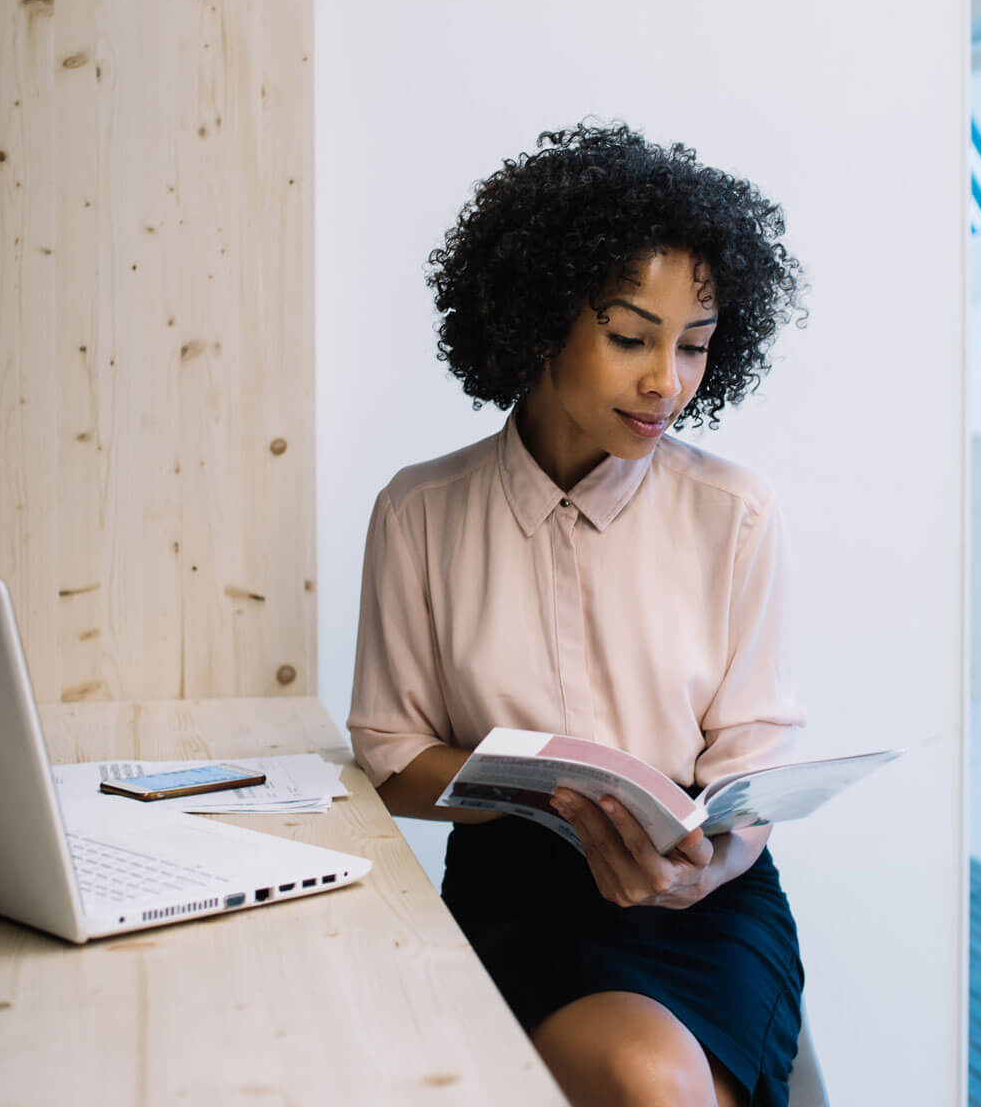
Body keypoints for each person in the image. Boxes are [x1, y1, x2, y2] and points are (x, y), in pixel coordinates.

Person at [346, 121, 812, 1107]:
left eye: (695, 345)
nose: (666, 382)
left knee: (664, 1082)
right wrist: (548, 797)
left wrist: (706, 862)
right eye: (631, 336)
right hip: (520, 896)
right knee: (650, 1080)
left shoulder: (736, 512)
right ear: (539, 319)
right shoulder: (420, 512)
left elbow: (753, 761)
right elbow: (391, 752)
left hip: (709, 902)